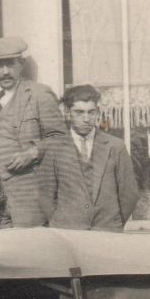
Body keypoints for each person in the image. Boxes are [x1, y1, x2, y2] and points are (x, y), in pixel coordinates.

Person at [0, 36, 66, 228]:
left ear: (21, 64)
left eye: (10, 64)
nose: (5, 72)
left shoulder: (39, 94)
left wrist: (33, 152)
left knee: (29, 252)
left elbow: (61, 139)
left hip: (29, 195)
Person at [41, 85, 140, 232]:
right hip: (68, 233)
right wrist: (61, 223)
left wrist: (113, 224)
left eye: (91, 112)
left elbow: (129, 195)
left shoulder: (115, 146)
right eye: (79, 112)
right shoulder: (54, 148)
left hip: (106, 232)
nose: (86, 119)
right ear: (68, 113)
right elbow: (46, 195)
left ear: (97, 113)